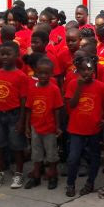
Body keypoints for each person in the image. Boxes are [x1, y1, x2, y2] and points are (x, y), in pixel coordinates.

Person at [65, 55, 104, 197]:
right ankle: (70, 183)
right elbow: (71, 105)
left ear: (94, 70)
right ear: (78, 71)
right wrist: (79, 87)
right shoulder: (72, 84)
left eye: (89, 69)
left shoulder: (101, 87)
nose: (86, 72)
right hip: (76, 129)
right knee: (73, 158)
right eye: (83, 69)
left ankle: (90, 183)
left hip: (94, 129)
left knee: (94, 157)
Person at [0, 42, 29, 189]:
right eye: (2, 54)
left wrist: (21, 120)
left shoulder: (21, 76)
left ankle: (18, 173)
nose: (4, 57)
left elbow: (23, 100)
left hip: (14, 115)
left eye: (8, 54)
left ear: (17, 55)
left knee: (17, 146)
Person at [24, 58, 64, 190]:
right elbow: (29, 108)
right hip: (35, 127)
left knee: (51, 154)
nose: (43, 76)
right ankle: (36, 176)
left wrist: (57, 126)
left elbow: (57, 109)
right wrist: (27, 127)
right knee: (36, 153)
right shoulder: (32, 89)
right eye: (40, 73)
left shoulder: (54, 89)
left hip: (49, 127)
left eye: (46, 73)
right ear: (36, 72)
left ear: (51, 74)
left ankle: (53, 176)